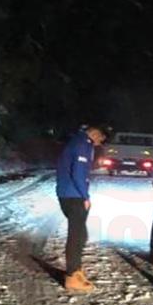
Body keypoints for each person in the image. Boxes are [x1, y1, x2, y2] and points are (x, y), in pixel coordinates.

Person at [55, 123, 106, 292]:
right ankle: (72, 276)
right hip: (74, 195)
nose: (100, 143)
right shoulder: (83, 144)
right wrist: (85, 196)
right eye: (101, 139)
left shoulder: (77, 141)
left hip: (68, 193)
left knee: (81, 234)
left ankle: (76, 270)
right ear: (95, 133)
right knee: (77, 236)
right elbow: (78, 172)